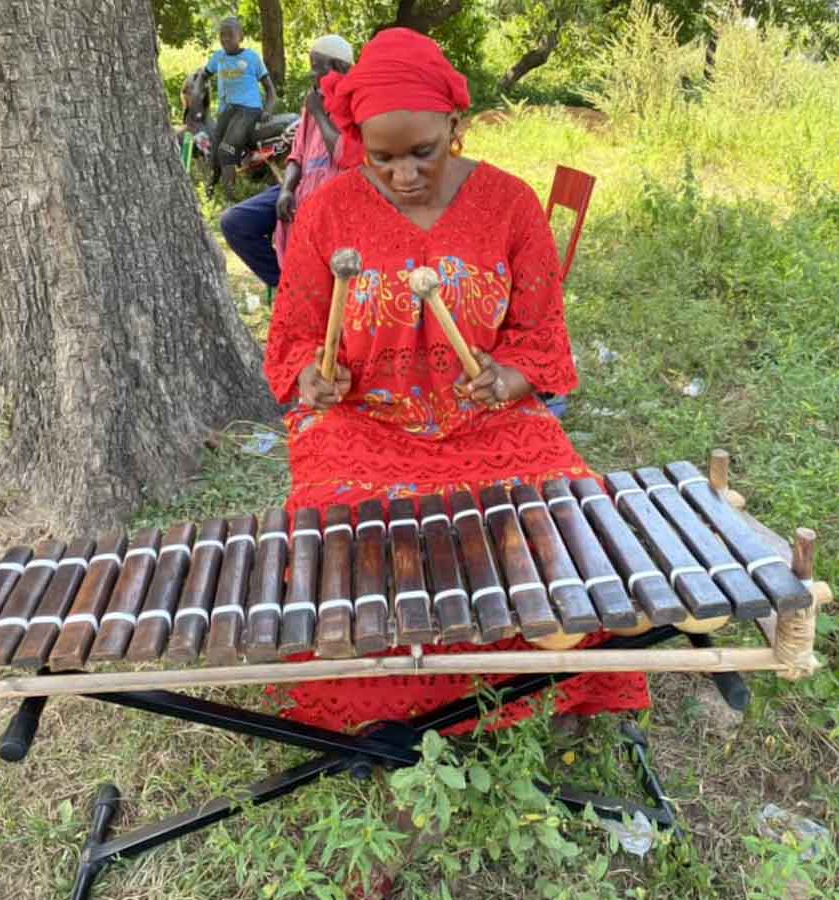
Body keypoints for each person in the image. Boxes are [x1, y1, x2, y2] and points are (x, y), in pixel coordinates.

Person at [263, 28, 649, 734]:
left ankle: (557, 687)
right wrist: (310, 377)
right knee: (338, 549)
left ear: (456, 128)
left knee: (567, 522)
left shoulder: (509, 204)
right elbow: (293, 333)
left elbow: (541, 335)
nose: (403, 174)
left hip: (487, 423)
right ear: (357, 144)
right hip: (363, 423)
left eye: (422, 153)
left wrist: (511, 376)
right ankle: (381, 707)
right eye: (381, 159)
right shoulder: (328, 212)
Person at [220, 35, 354, 289]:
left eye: (317, 68)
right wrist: (286, 190)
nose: (312, 76)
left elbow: (344, 154)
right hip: (301, 186)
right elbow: (297, 156)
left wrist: (318, 113)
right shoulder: (314, 103)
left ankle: (304, 292)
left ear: (339, 68)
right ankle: (287, 287)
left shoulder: (357, 104)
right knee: (235, 222)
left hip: (333, 195)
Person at [200, 17, 277, 197]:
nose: (225, 39)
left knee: (226, 150)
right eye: (221, 35)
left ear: (240, 36)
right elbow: (203, 76)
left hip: (248, 110)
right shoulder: (218, 58)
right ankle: (210, 193)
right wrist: (200, 95)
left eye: (229, 35)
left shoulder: (251, 58)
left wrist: (268, 110)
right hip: (226, 111)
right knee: (214, 153)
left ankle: (231, 197)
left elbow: (271, 91)